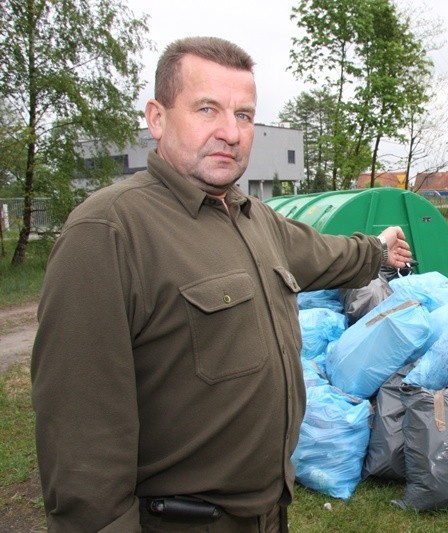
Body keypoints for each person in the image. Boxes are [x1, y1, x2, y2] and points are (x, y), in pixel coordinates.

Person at [31, 36, 412, 532]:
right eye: (207, 109)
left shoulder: (251, 217)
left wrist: (379, 249)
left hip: (268, 514)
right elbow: (80, 440)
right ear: (158, 118)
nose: (230, 133)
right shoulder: (109, 232)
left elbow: (326, 254)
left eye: (244, 115)